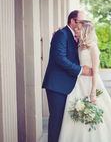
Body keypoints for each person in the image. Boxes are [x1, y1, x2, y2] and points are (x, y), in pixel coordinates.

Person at [42, 10, 93, 142]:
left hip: (69, 85)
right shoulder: (61, 34)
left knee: (65, 121)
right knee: (56, 119)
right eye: (81, 22)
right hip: (57, 85)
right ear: (72, 21)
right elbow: (60, 58)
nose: (82, 25)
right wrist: (81, 70)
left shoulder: (75, 36)